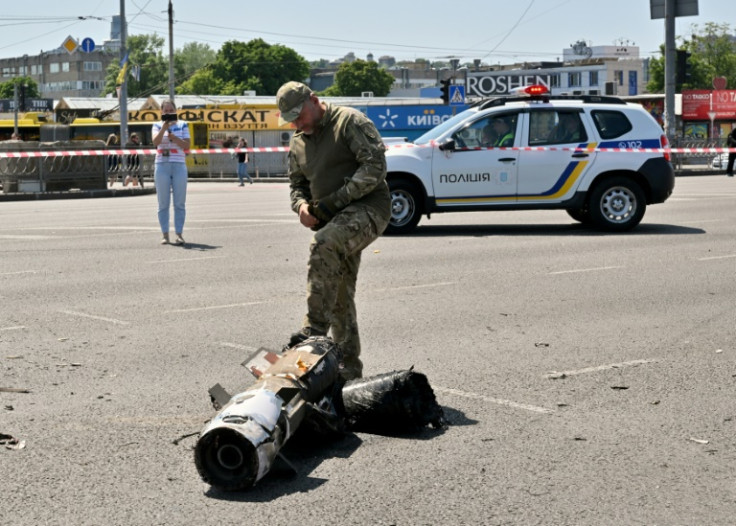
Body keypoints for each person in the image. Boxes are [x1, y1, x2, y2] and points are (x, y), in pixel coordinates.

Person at [276, 81, 391, 381]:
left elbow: (375, 167)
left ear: (314, 100)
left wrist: (333, 202)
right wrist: (301, 207)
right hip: (332, 219)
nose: (296, 122)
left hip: (369, 209)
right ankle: (347, 372)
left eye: (299, 115)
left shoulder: (349, 121)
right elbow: (297, 186)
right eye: (291, 118)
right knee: (339, 294)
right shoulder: (298, 141)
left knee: (323, 243)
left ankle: (312, 333)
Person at [152, 100, 190, 245]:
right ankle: (165, 234)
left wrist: (175, 138)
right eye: (165, 111)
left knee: (179, 202)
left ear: (176, 111)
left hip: (179, 164)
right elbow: (155, 142)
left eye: (170, 110)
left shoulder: (182, 124)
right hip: (162, 164)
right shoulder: (156, 125)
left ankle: (179, 233)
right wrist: (164, 128)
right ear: (161, 112)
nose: (168, 113)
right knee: (163, 202)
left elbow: (187, 145)